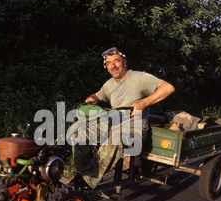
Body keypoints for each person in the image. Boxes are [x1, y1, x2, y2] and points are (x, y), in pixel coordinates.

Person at [70, 47, 175, 190]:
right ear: (106, 67)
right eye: (108, 63)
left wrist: (144, 103)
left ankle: (86, 182)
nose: (113, 66)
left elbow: (168, 88)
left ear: (124, 62)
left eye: (116, 61)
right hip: (112, 126)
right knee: (77, 130)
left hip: (133, 130)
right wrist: (93, 98)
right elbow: (98, 95)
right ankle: (83, 172)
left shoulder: (140, 78)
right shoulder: (110, 84)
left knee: (116, 138)